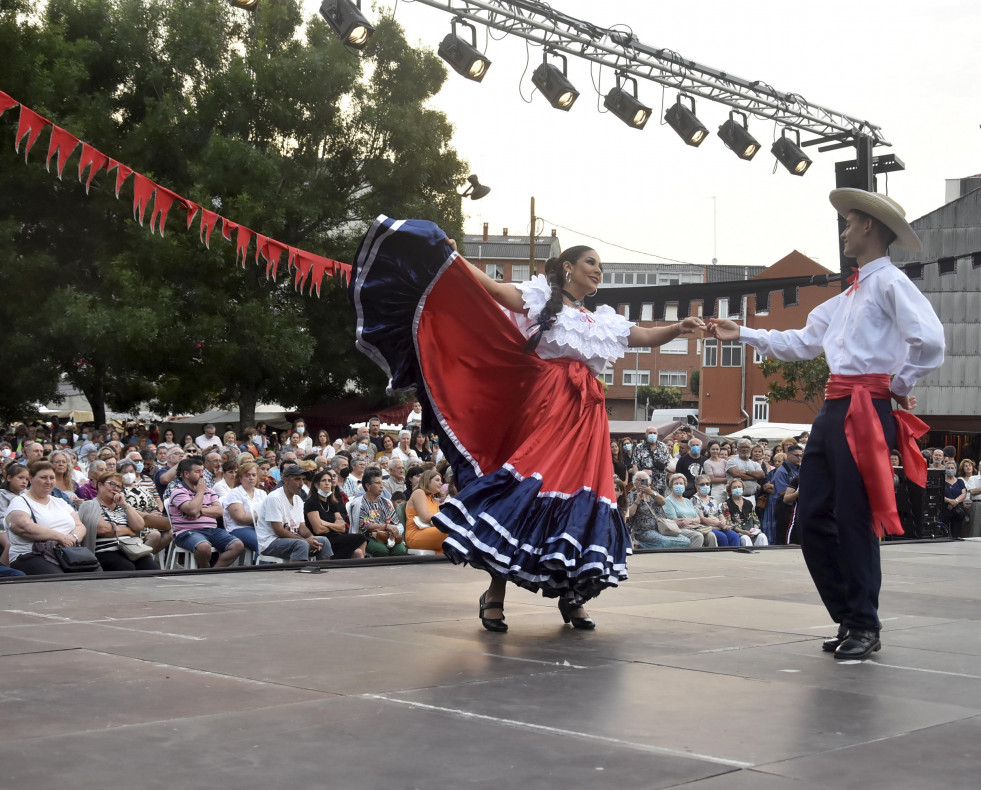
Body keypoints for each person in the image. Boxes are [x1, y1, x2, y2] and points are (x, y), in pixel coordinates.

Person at [351, 220, 707, 631]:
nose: (598, 270)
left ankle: (574, 598)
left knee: (583, 503)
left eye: (601, 267)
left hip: (588, 420)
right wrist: (457, 260)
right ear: (568, 268)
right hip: (546, 409)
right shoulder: (543, 298)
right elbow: (497, 291)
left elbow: (643, 335)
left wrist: (679, 328)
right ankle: (495, 595)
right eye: (591, 262)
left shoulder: (603, 320)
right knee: (523, 497)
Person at [708, 188, 945, 661]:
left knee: (854, 517)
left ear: (869, 228)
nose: (844, 230)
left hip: (865, 405)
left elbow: (930, 339)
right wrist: (746, 332)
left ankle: (863, 622)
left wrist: (898, 382)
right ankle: (849, 615)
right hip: (835, 408)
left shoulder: (890, 283)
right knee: (811, 517)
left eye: (849, 222)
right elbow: (802, 341)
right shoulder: (852, 293)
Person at [4, 461, 91, 575]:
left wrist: (72, 538)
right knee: (61, 581)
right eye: (43, 477)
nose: (48, 482)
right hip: (32, 554)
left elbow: (79, 525)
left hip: (66, 552)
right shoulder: (20, 502)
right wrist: (59, 537)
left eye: (52, 478)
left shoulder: (60, 502)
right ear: (31, 478)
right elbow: (22, 526)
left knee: (95, 576)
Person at [168, 458, 244, 568]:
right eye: (197, 471)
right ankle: (205, 569)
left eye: (202, 471)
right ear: (186, 474)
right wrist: (200, 492)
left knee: (237, 545)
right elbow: (192, 510)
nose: (202, 475)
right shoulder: (178, 492)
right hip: (187, 532)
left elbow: (219, 511)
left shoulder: (209, 491)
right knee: (204, 547)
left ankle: (213, 572)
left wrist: (201, 512)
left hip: (212, 530)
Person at [78, 472, 158, 571]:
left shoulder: (121, 507)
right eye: (112, 484)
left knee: (151, 567)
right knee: (127, 568)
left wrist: (125, 505)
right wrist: (129, 531)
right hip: (104, 551)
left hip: (130, 550)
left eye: (119, 487)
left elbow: (139, 526)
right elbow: (104, 530)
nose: (116, 488)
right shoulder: (89, 505)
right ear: (100, 485)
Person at [256, 465, 331, 563]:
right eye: (297, 479)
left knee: (323, 541)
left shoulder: (298, 499)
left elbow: (302, 527)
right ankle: (295, 576)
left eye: (303, 479)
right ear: (286, 480)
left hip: (291, 539)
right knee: (302, 545)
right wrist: (304, 541)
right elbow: (278, 530)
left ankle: (323, 575)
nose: (301, 483)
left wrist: (312, 539)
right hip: (270, 542)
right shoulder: (274, 498)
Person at [303, 469, 366, 559]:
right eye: (323, 481)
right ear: (316, 485)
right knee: (360, 538)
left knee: (358, 551)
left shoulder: (332, 502)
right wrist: (334, 526)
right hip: (323, 539)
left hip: (337, 537)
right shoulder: (311, 502)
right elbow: (318, 530)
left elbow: (342, 528)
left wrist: (325, 523)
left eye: (329, 480)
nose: (327, 483)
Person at [625, 471, 693, 549]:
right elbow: (629, 514)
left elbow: (663, 502)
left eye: (643, 480)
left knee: (686, 541)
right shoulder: (630, 496)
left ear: (649, 482)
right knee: (665, 541)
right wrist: (637, 501)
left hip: (662, 529)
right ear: (634, 483)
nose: (641, 482)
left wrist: (651, 493)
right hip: (644, 532)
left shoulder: (653, 493)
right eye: (638, 480)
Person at [220, 462, 265, 558]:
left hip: (259, 528)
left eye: (254, 475)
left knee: (276, 541)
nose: (251, 478)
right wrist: (261, 515)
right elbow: (240, 519)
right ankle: (262, 570)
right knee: (262, 543)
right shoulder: (234, 494)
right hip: (239, 528)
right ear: (240, 478)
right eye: (247, 475)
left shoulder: (262, 493)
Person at [662, 473, 718, 548]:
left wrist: (690, 521)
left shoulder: (687, 501)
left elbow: (698, 518)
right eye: (676, 483)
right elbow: (673, 520)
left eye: (681, 483)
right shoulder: (668, 501)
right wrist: (687, 522)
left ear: (685, 486)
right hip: (680, 529)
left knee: (711, 535)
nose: (679, 485)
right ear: (671, 486)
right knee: (698, 536)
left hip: (694, 527)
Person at [690, 474, 740, 547]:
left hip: (719, 525)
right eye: (702, 484)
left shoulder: (712, 499)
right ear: (697, 486)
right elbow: (702, 518)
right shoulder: (695, 499)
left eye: (707, 483)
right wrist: (718, 524)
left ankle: (735, 556)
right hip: (706, 526)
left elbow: (719, 513)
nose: (705, 486)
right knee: (722, 537)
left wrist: (722, 520)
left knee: (734, 536)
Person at [405, 469, 446, 553]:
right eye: (437, 480)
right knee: (449, 530)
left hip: (430, 531)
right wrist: (446, 517)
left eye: (441, 481)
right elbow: (424, 517)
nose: (441, 483)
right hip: (415, 534)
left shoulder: (436, 502)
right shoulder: (419, 493)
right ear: (427, 481)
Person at [723, 479, 768, 547]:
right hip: (738, 532)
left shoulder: (748, 503)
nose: (737, 489)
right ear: (730, 491)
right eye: (734, 487)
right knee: (745, 538)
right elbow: (729, 523)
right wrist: (743, 532)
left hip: (751, 531)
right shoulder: (726, 504)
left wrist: (754, 529)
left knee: (762, 536)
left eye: (739, 487)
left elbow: (756, 520)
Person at [628, 426, 671, 495]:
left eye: (654, 433)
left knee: (659, 503)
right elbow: (635, 464)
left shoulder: (663, 447)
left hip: (660, 483)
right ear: (646, 434)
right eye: (650, 433)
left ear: (657, 434)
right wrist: (637, 479)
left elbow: (667, 464)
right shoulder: (639, 447)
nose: (652, 435)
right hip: (644, 482)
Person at [942, 461, 968, 538]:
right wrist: (950, 501)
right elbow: (939, 494)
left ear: (955, 469)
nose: (950, 470)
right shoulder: (942, 481)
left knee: (957, 532)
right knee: (944, 531)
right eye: (948, 468)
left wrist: (955, 502)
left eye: (952, 468)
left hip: (958, 510)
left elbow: (964, 494)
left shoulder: (960, 481)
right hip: (945, 509)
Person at [961, 459, 981, 538]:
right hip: (977, 503)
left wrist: (978, 489)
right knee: (975, 529)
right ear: (979, 467)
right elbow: (972, 491)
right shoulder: (973, 478)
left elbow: (976, 490)